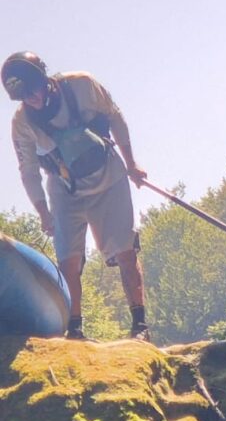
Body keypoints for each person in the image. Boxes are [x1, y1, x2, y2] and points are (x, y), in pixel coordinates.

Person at [3, 51, 150, 341]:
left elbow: (115, 117)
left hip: (109, 178)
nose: (31, 99)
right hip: (65, 189)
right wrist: (42, 211)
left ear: (44, 78)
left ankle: (140, 326)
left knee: (125, 252)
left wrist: (131, 164)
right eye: (23, 96)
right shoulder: (22, 123)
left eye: (33, 90)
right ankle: (75, 329)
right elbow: (28, 171)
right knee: (68, 260)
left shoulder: (82, 85)